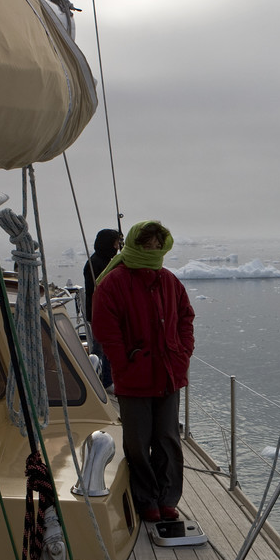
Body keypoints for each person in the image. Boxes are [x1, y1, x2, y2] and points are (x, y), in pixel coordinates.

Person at [90, 220, 194, 524]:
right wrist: (124, 362)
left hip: (168, 373)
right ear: (136, 244)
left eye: (157, 244)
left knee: (167, 439)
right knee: (137, 441)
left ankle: (167, 498)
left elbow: (185, 317)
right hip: (134, 376)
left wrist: (183, 351)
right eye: (148, 243)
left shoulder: (170, 281)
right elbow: (105, 329)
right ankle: (146, 498)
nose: (153, 248)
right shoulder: (115, 282)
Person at [82, 227, 124, 387]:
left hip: (104, 312)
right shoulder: (98, 263)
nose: (117, 247)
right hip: (100, 312)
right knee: (102, 349)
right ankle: (104, 381)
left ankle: (105, 379)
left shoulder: (102, 261)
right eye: (115, 243)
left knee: (105, 348)